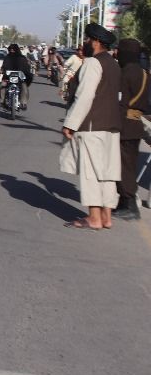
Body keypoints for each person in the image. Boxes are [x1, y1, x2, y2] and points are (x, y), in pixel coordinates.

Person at [61, 23, 122, 230]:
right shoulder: (113, 64)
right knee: (107, 173)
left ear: (95, 42)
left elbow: (85, 96)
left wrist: (70, 124)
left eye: (87, 39)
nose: (84, 43)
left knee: (91, 173)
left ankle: (94, 218)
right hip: (111, 127)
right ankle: (106, 217)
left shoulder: (93, 63)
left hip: (92, 127)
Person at [115, 38, 149, 221]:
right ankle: (123, 203)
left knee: (123, 167)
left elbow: (120, 101)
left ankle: (129, 205)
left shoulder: (125, 73)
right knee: (129, 165)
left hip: (124, 126)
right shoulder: (144, 73)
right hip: (136, 124)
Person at [0, 43, 33, 110]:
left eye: (13, 50)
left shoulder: (22, 58)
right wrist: (2, 71)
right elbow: (4, 67)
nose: (12, 51)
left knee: (24, 87)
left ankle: (23, 103)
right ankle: (2, 102)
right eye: (11, 50)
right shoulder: (7, 58)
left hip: (19, 78)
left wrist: (27, 74)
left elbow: (26, 68)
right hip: (8, 78)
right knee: (2, 86)